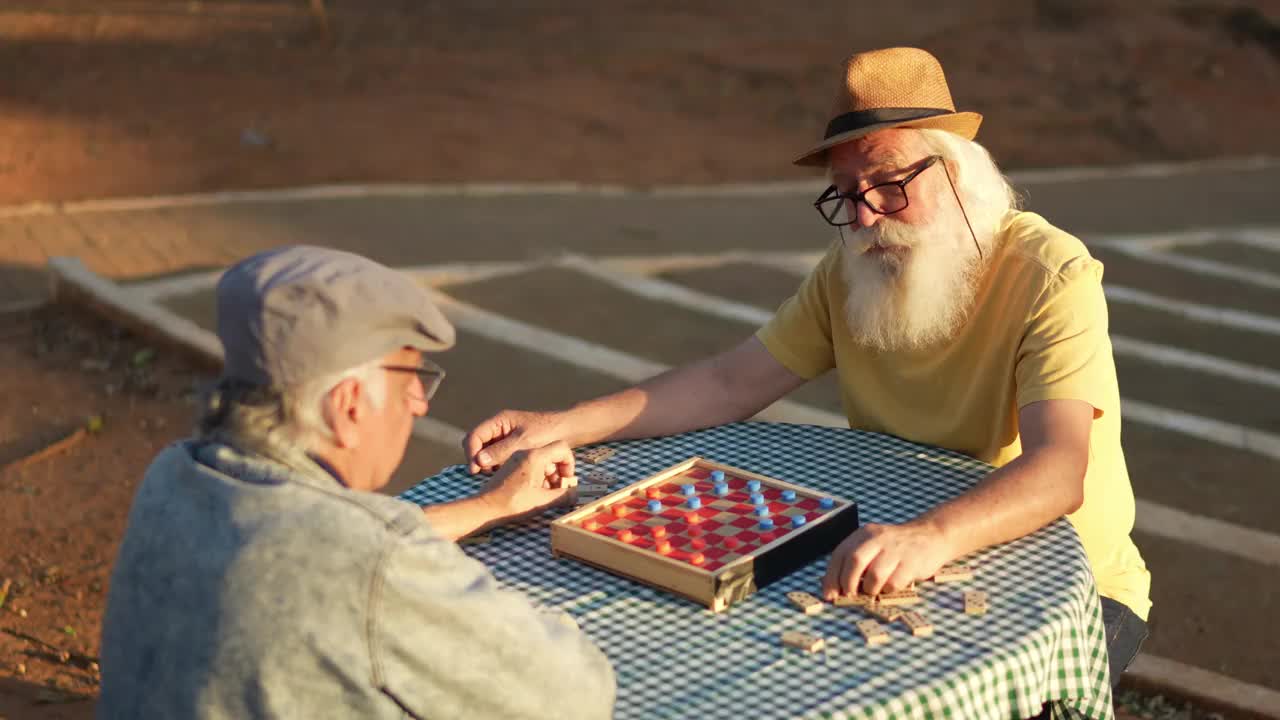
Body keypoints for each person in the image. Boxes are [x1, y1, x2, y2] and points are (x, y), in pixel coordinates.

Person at [462, 47, 1149, 686]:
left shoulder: (1050, 271)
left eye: (887, 183)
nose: (866, 215)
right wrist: (565, 425)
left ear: (954, 169)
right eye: (845, 194)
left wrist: (934, 535)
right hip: (903, 556)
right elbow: (728, 382)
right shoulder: (850, 271)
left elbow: (1059, 471)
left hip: (1070, 587)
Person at [99, 246, 615, 719]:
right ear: (347, 408)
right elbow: (576, 693)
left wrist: (491, 505)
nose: (420, 402)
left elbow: (315, 539)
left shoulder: (173, 473)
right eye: (409, 379)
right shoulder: (369, 564)